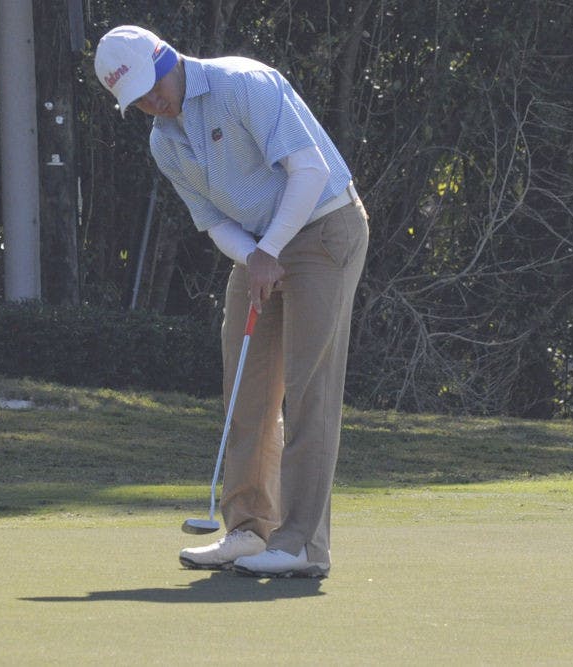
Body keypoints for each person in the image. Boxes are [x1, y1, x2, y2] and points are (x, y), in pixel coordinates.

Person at [94, 25, 368, 578]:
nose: (151, 102)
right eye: (138, 99)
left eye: (152, 87)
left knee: (309, 389)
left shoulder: (243, 83)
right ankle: (248, 530)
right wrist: (257, 256)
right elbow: (214, 222)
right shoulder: (163, 141)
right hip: (258, 248)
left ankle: (302, 546)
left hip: (323, 227)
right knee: (247, 391)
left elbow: (310, 170)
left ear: (166, 57)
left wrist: (268, 250)